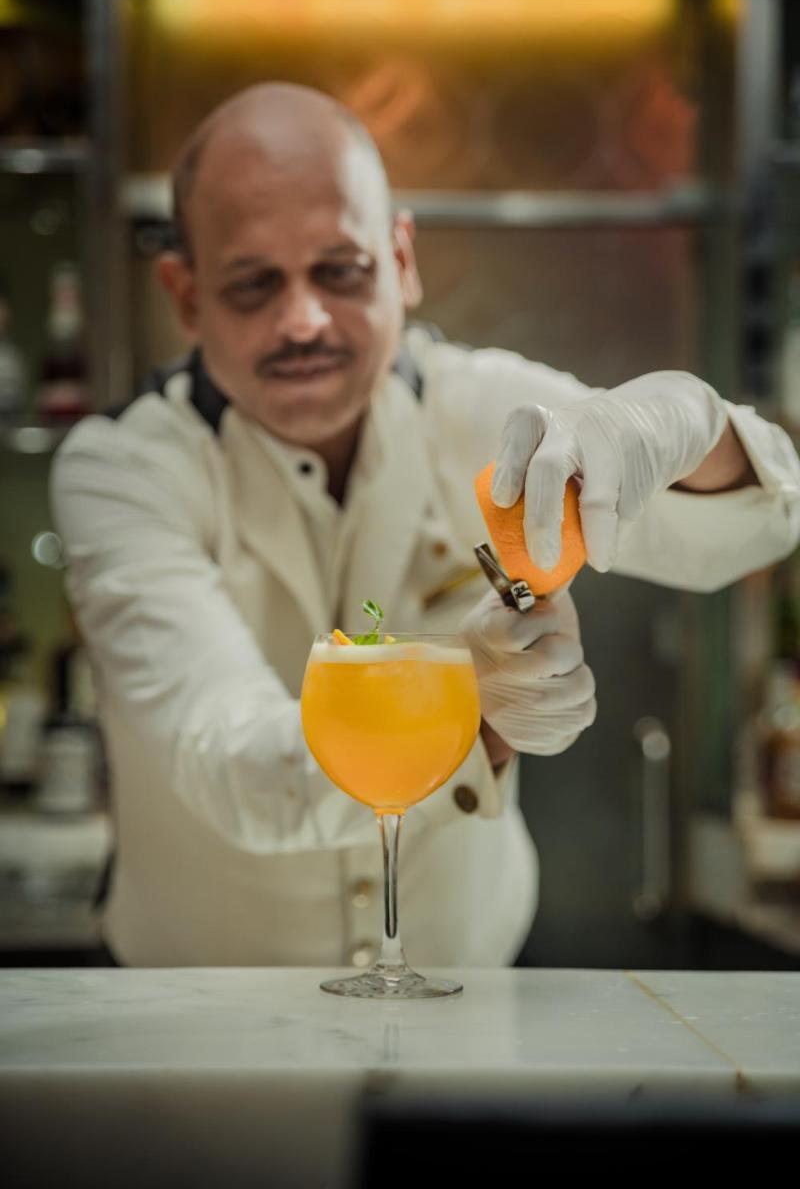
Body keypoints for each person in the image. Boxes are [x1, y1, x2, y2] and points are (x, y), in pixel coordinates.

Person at [51, 83, 800, 969]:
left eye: (341, 270)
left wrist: (687, 427)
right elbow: (236, 766)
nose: (304, 320)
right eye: (254, 283)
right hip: (200, 1037)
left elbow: (748, 534)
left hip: (468, 1007)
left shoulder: (480, 410)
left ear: (400, 258)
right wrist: (465, 703)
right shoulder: (123, 471)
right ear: (185, 293)